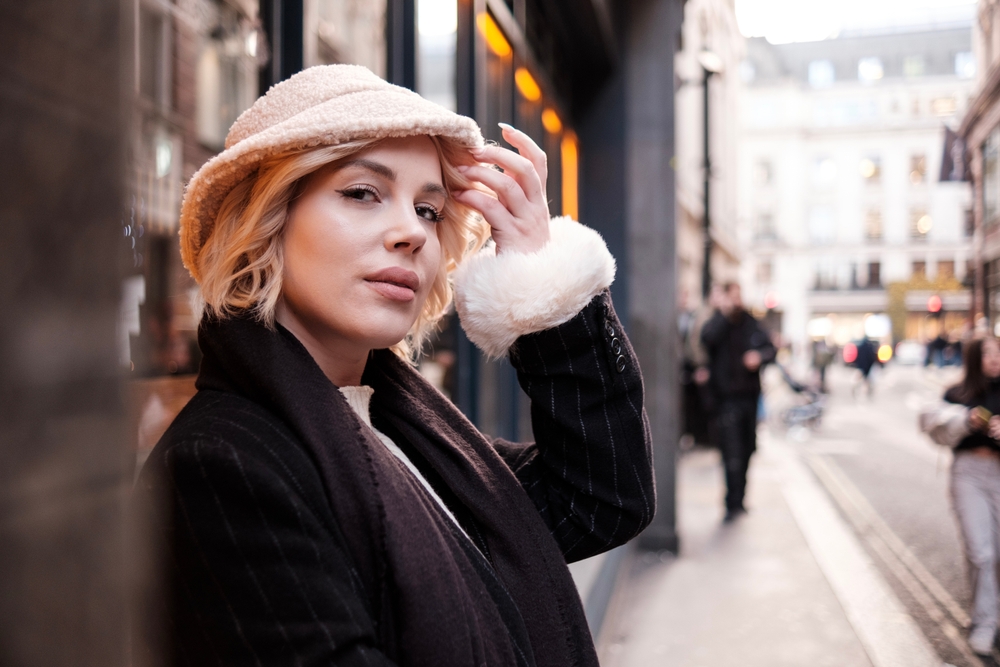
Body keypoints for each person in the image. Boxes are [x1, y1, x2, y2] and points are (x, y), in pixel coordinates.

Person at [131, 65, 654, 666]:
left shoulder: (405, 432)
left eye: (430, 210)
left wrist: (542, 276)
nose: (411, 230)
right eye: (362, 193)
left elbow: (602, 498)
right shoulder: (223, 465)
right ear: (267, 223)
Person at [919, 337, 1000, 656]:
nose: (995, 358)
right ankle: (984, 622)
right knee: (980, 551)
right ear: (974, 358)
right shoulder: (959, 393)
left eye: (999, 352)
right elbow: (934, 427)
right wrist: (965, 421)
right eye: (988, 353)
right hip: (968, 474)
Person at [700, 282, 776, 522]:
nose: (736, 301)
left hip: (749, 399)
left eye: (738, 296)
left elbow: (771, 349)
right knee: (731, 452)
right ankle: (731, 503)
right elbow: (707, 340)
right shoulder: (717, 323)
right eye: (731, 296)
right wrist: (723, 313)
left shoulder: (751, 323)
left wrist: (759, 357)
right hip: (726, 400)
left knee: (746, 450)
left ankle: (740, 499)